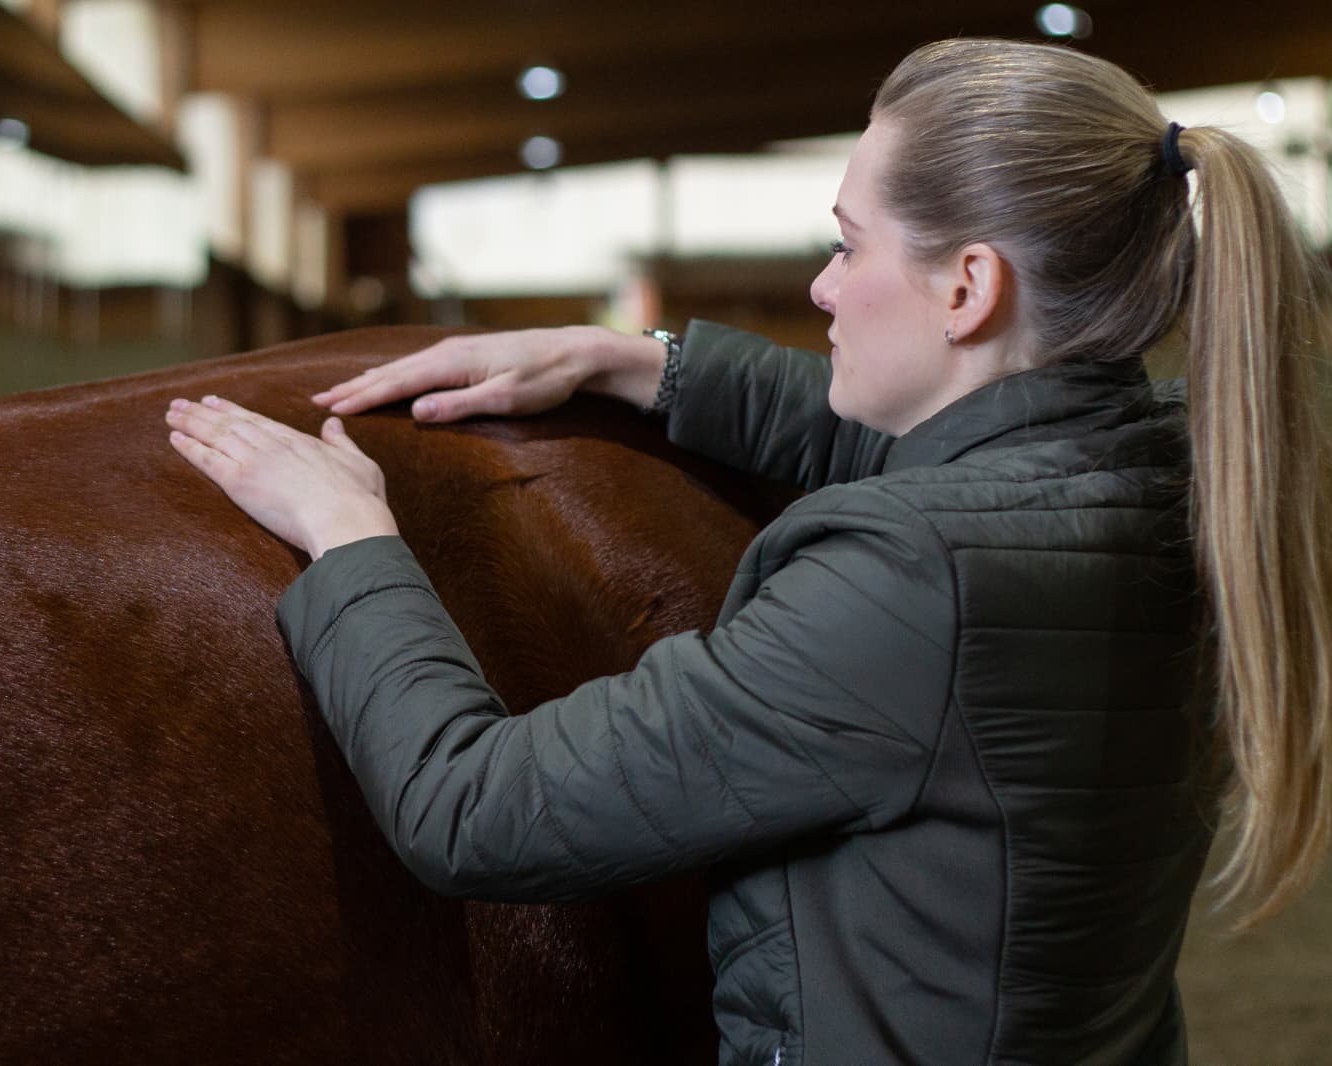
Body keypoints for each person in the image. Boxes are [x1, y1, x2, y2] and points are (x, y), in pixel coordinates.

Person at [163, 37, 1332, 1065]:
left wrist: (349, 535)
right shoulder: (1179, 468)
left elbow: (473, 807)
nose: (821, 287)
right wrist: (633, 360)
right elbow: (942, 453)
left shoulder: (910, 578)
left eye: (848, 246)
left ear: (969, 285)